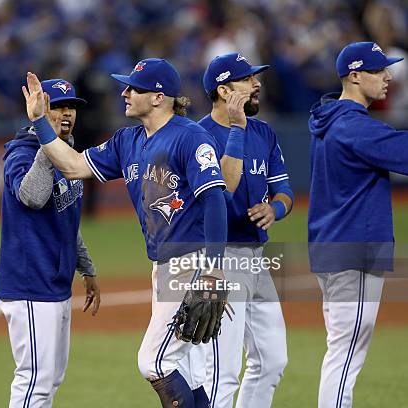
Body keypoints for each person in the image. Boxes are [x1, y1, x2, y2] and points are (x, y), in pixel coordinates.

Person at [21, 58, 228, 407]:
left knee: (154, 362)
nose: (124, 92)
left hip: (192, 262)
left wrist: (213, 269)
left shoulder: (191, 138)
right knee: (187, 370)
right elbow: (72, 165)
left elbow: (215, 201)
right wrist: (41, 122)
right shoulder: (127, 141)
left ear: (159, 97)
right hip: (164, 263)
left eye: (134, 88)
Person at [184, 53, 294, 408]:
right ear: (224, 90)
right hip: (218, 259)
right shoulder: (197, 136)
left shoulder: (264, 132)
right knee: (222, 371)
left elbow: (285, 192)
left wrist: (274, 208)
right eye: (248, 79)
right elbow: (219, 195)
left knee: (273, 360)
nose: (256, 83)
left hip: (256, 260)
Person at [308, 41, 405, 408]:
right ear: (354, 75)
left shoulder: (329, 119)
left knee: (342, 350)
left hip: (332, 248)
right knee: (345, 356)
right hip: (355, 250)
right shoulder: (353, 126)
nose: (388, 76)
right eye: (379, 70)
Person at [0, 78, 101, 407]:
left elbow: (65, 219)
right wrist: (45, 139)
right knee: (35, 382)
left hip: (55, 284)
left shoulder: (69, 154)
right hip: (29, 284)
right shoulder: (21, 153)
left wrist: (87, 269)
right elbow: (32, 198)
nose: (66, 114)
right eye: (57, 107)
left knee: (51, 379)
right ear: (39, 111)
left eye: (71, 107)